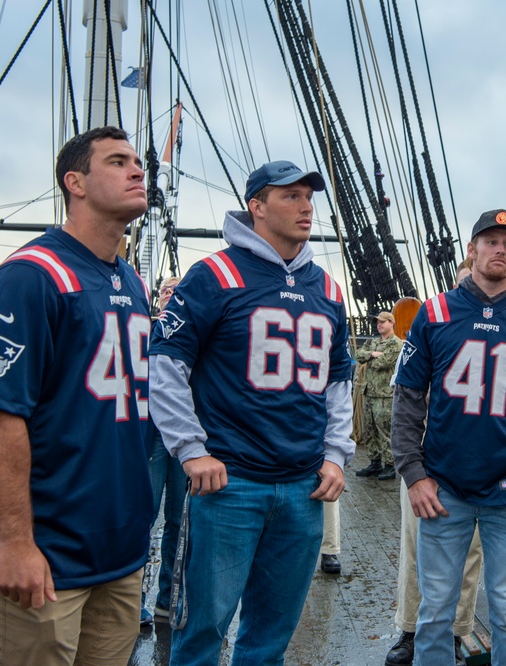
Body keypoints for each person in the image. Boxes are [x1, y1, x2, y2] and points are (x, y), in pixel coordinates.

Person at [0, 126, 153, 665]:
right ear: (77, 183)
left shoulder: (130, 282)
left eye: (137, 161)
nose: (138, 170)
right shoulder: (31, 277)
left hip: (118, 552)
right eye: (118, 162)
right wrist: (16, 543)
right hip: (46, 557)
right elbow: (0, 417)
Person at [149, 159, 355, 666]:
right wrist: (190, 449)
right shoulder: (214, 274)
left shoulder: (326, 289)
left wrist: (335, 455)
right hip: (230, 485)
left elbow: (337, 379)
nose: (306, 206)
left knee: (270, 638)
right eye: (291, 196)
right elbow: (166, 362)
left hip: (303, 487)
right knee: (201, 632)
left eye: (309, 197)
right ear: (256, 206)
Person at [392, 209, 506, 665]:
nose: (499, 250)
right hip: (444, 490)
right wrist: (413, 473)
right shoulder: (435, 313)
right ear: (471, 249)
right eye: (490, 241)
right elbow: (409, 398)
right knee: (434, 612)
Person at [386, 257, 483, 666]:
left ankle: (457, 632)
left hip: (483, 464)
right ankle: (411, 629)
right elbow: (405, 397)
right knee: (415, 546)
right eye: (465, 283)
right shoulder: (432, 329)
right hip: (430, 458)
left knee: (470, 555)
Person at [140, 275, 188, 624]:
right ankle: (133, 598)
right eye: (165, 290)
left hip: (183, 436)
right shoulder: (144, 329)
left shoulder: (191, 330)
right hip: (152, 432)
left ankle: (167, 596)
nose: (169, 294)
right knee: (145, 512)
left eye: (176, 290)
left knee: (177, 518)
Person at [354, 311, 403, 480]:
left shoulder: (395, 344)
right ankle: (374, 462)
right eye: (377, 322)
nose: (379, 325)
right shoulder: (373, 342)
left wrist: (370, 357)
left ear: (392, 323)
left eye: (383, 322)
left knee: (385, 430)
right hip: (369, 392)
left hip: (384, 394)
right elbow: (358, 355)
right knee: (369, 429)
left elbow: (383, 363)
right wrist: (371, 354)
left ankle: (389, 465)